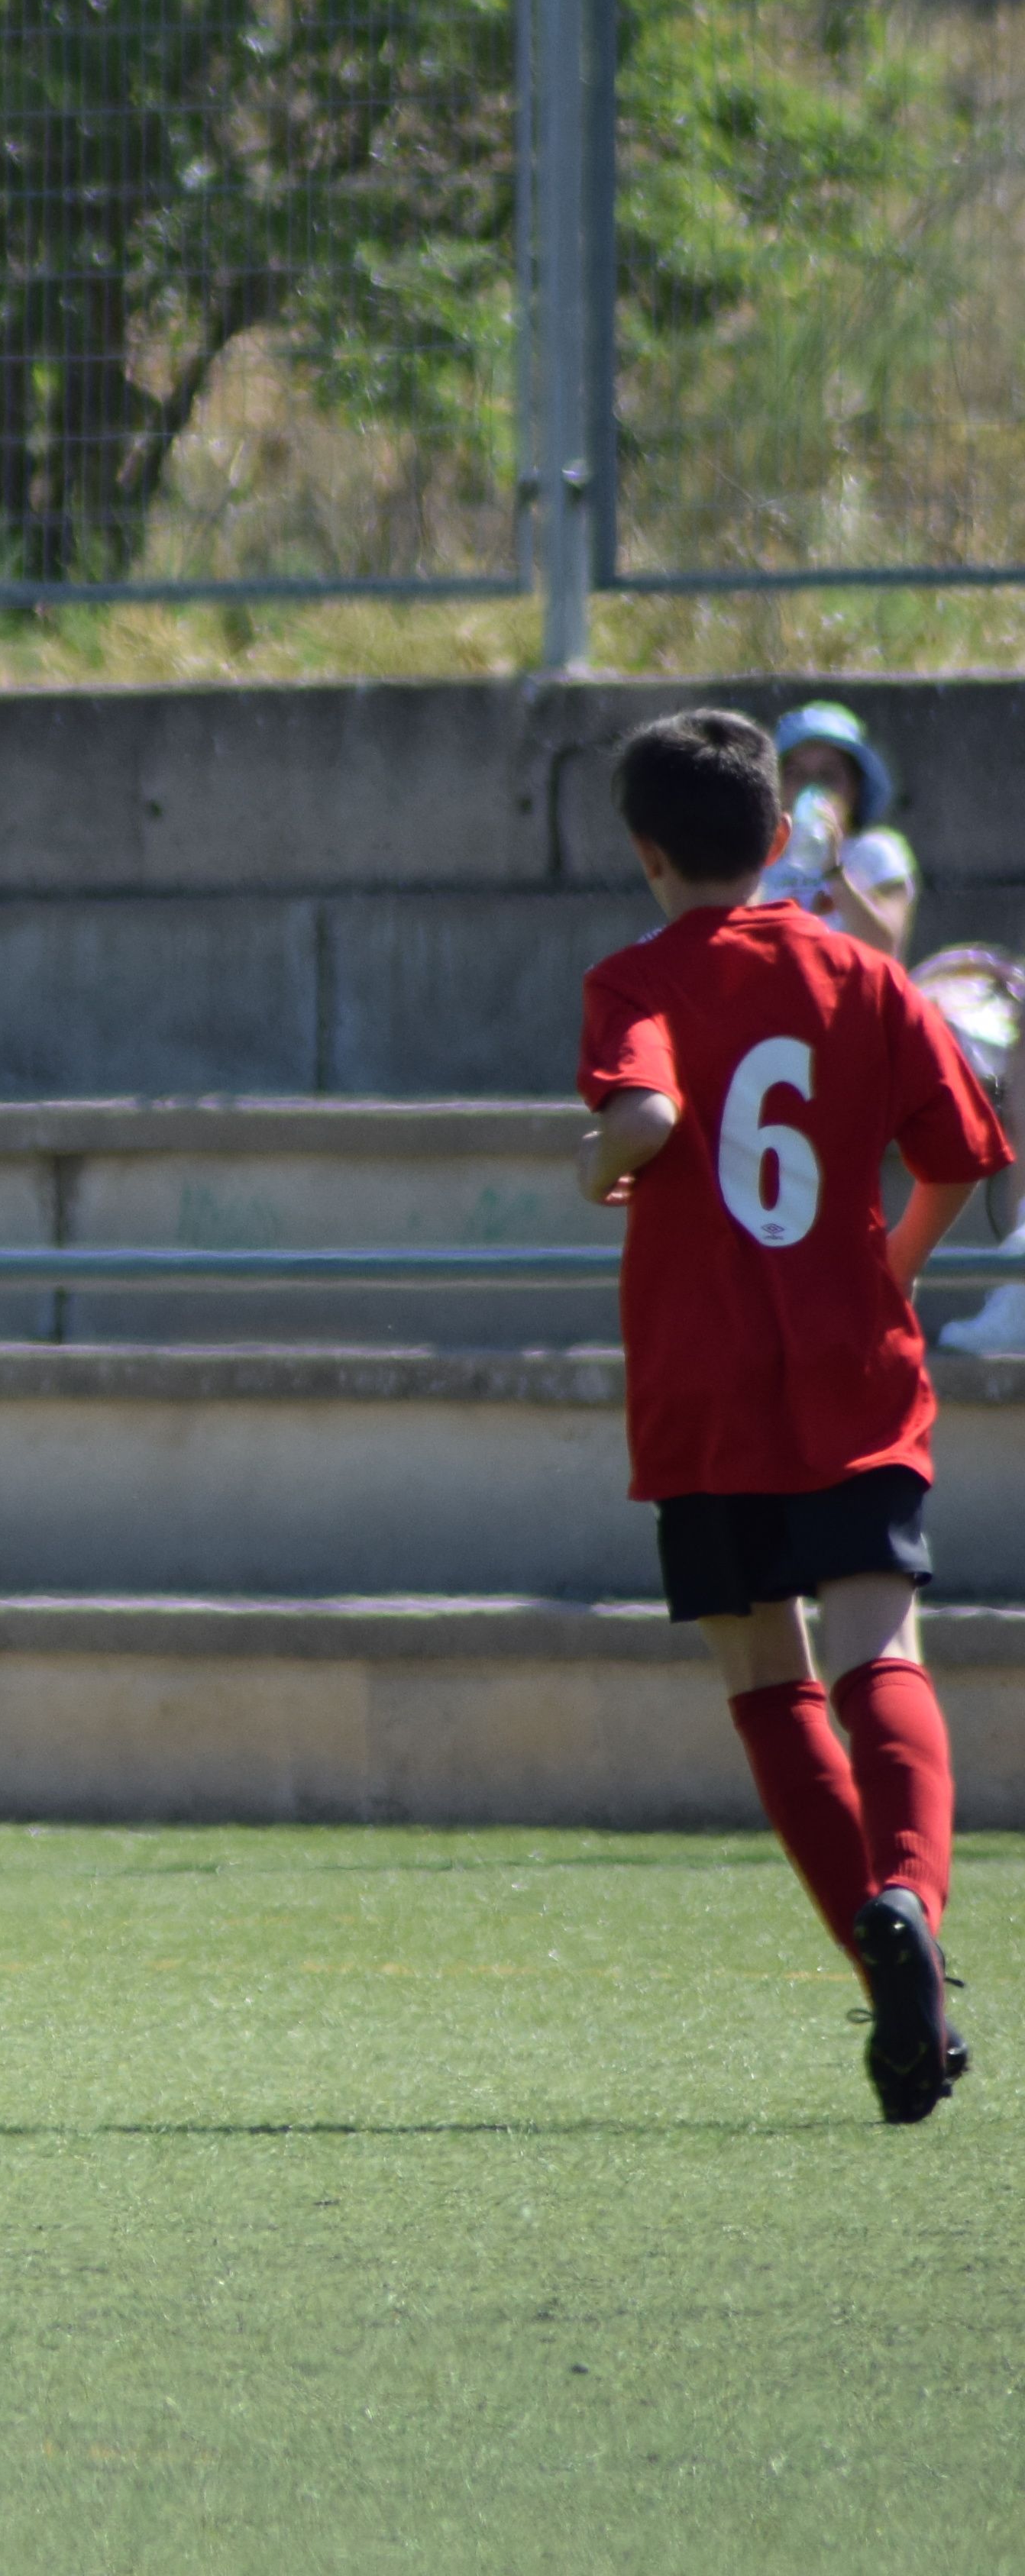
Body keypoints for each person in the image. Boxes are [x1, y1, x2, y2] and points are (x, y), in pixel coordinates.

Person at [581, 707, 1009, 2125]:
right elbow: (959, 1156)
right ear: (781, 841)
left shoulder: (632, 976)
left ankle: (897, 1978)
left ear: (648, 855)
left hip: (704, 1383)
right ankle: (911, 1900)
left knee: (766, 1678)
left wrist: (606, 1160)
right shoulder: (865, 977)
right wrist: (883, 1271)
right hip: (848, 1369)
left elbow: (641, 1118)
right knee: (881, 1643)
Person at [763, 700, 917, 960]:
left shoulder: (878, 852)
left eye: (828, 776)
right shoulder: (760, 857)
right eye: (797, 775)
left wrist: (834, 871)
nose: (810, 790)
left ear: (855, 788)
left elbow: (885, 947)